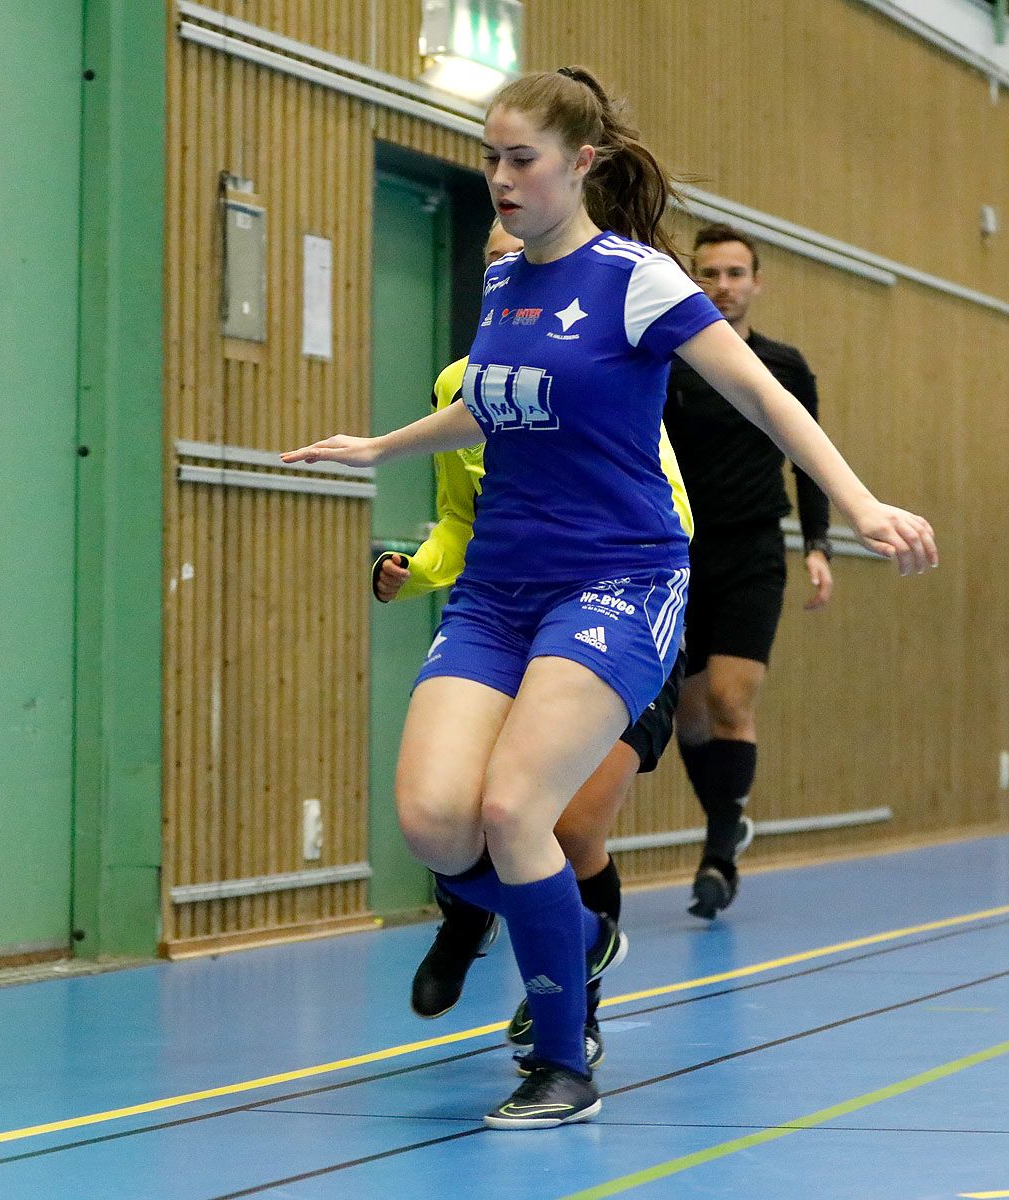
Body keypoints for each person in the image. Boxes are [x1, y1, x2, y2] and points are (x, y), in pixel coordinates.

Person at [284, 66, 936, 1130]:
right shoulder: (502, 283)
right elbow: (494, 407)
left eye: (520, 159)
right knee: (440, 827)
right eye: (490, 157)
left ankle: (559, 1062)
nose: (499, 178)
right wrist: (382, 444)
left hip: (620, 579)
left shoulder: (636, 281)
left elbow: (762, 394)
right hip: (499, 587)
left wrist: (854, 504)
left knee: (514, 809)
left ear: (580, 165)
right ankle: (575, 931)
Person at [377, 219, 692, 1074]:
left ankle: (569, 1024)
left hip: (616, 609)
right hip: (506, 611)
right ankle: (545, 932)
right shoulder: (462, 386)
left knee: (562, 822)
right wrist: (416, 569)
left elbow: (666, 514)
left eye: (528, 250)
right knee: (454, 816)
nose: (512, 265)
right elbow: (456, 524)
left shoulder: (603, 372)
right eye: (495, 254)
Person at [664, 223, 832, 920]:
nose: (723, 286)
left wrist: (818, 543)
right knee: (690, 714)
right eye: (709, 273)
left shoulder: (784, 367)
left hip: (752, 552)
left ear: (755, 284)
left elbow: (810, 457)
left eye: (736, 273)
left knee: (732, 700)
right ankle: (727, 819)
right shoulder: (668, 363)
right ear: (693, 282)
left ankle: (717, 854)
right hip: (676, 553)